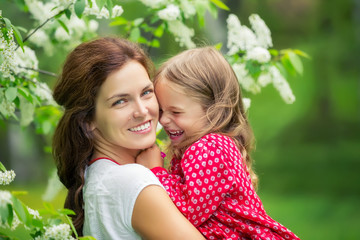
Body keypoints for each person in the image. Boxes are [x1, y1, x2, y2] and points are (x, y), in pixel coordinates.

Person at [136, 46, 301, 240]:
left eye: (176, 112)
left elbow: (188, 213)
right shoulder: (208, 146)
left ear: (213, 111)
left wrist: (157, 172)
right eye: (162, 111)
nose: (163, 121)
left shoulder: (209, 147)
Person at [52, 37, 205, 240]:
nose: (142, 111)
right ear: (88, 119)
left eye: (146, 92)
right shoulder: (133, 182)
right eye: (120, 101)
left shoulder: (95, 176)